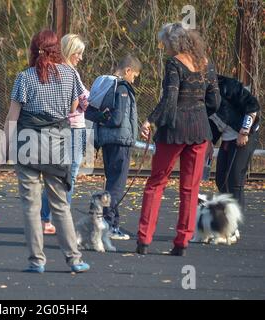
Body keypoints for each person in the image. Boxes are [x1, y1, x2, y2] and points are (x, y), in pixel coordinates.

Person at [4, 30, 90, 273]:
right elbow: (72, 109)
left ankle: (37, 261)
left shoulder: (24, 77)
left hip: (28, 145)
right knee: (60, 204)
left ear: (34, 50)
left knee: (30, 206)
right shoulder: (70, 74)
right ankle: (74, 259)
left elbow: (12, 117)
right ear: (57, 50)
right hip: (57, 145)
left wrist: (6, 148)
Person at [136, 23, 220, 256]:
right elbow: (215, 101)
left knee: (156, 183)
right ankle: (182, 241)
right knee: (190, 189)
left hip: (174, 131)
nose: (164, 48)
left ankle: (144, 239)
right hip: (200, 131)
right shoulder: (206, 65)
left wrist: (150, 120)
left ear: (173, 43)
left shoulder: (174, 63)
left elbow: (169, 99)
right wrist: (199, 113)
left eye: (164, 44)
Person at [85, 55, 142, 241]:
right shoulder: (123, 88)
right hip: (120, 141)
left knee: (111, 183)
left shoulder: (105, 84)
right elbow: (118, 119)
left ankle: (112, 223)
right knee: (117, 186)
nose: (134, 80)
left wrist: (103, 119)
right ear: (127, 71)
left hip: (106, 141)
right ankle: (108, 225)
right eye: (134, 75)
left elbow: (91, 111)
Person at [39, 34, 89, 235]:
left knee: (53, 175)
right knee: (70, 176)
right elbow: (78, 102)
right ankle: (62, 220)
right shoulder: (71, 72)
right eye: (79, 53)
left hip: (56, 128)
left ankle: (45, 219)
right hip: (73, 128)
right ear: (70, 51)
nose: (81, 57)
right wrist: (87, 101)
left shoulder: (53, 70)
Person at [209, 74, 260, 211]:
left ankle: (234, 224)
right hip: (227, 137)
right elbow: (213, 124)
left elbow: (253, 106)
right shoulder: (199, 96)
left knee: (235, 180)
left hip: (245, 134)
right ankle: (226, 215)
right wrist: (209, 143)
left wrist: (244, 131)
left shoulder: (227, 85)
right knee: (221, 179)